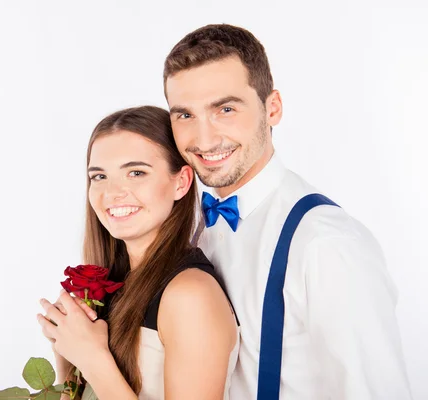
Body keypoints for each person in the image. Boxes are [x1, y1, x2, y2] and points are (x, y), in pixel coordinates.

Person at [163, 24, 412, 399]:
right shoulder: (186, 224)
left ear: (272, 108)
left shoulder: (326, 245)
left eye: (225, 109)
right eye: (184, 115)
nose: (204, 139)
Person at [37, 106, 239, 399]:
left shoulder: (190, 295)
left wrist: (93, 357)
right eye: (99, 177)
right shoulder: (115, 281)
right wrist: (65, 348)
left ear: (181, 182)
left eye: (136, 172)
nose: (113, 192)